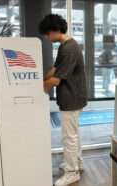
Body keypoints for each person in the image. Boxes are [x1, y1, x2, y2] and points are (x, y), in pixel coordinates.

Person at [39, 14, 87, 186]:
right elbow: (54, 69)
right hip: (72, 95)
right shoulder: (64, 46)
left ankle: (72, 172)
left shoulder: (69, 48)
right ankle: (77, 163)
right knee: (73, 134)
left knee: (69, 137)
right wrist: (41, 78)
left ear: (56, 30)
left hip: (72, 97)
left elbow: (56, 79)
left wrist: (37, 88)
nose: (46, 37)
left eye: (47, 33)